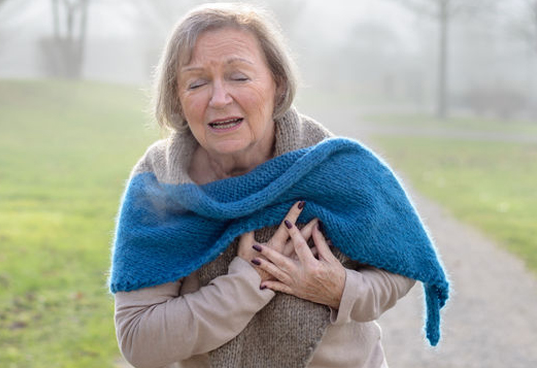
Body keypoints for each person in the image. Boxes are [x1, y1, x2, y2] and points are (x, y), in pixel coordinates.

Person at [109, 3, 449, 368]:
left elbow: (397, 269)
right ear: (178, 98)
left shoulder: (331, 167)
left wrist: (341, 289)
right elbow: (139, 341)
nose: (219, 98)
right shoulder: (160, 184)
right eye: (197, 82)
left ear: (278, 83)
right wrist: (246, 284)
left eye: (239, 77)